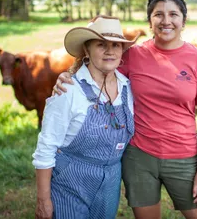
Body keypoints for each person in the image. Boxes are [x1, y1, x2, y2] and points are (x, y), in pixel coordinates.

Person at [53, 0, 197, 219]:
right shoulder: (133, 55)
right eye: (158, 14)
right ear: (149, 21)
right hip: (138, 157)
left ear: (183, 20)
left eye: (173, 14)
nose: (166, 21)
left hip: (183, 158)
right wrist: (68, 76)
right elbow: (98, 66)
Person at [32, 15, 135, 219]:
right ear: (86, 50)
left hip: (111, 182)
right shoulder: (69, 90)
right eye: (101, 44)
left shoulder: (128, 87)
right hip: (71, 180)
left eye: (116, 45)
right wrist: (43, 200)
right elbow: (46, 147)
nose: (109, 51)